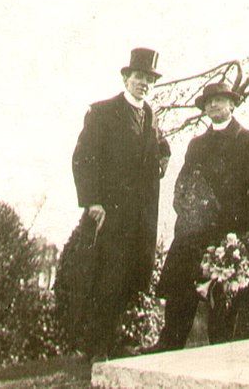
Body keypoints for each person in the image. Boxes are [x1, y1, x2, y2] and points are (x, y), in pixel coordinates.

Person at [67, 47, 170, 360]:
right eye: (139, 77)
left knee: (130, 279)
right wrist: (93, 201)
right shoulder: (102, 112)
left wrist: (161, 161)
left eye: (149, 79)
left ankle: (115, 342)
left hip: (140, 216)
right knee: (105, 279)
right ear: (126, 78)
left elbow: (160, 150)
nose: (144, 84)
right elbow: (83, 157)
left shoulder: (151, 116)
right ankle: (95, 348)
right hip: (109, 213)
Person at [155, 81, 249, 351]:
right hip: (195, 235)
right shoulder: (196, 145)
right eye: (208, 102)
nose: (212, 105)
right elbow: (183, 185)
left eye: (219, 100)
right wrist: (188, 215)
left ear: (232, 104)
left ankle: (223, 364)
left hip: (231, 238)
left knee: (225, 308)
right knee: (180, 299)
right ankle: (165, 353)